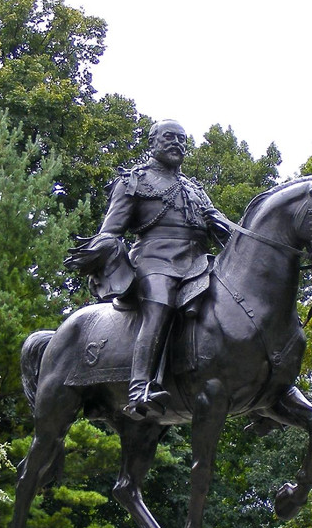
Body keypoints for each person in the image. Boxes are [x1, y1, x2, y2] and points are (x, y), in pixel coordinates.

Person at [66, 120, 231, 419]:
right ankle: (139, 387)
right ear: (152, 142)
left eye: (182, 139)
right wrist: (99, 252)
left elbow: (217, 226)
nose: (177, 144)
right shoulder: (134, 180)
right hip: (155, 261)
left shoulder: (195, 188)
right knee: (160, 302)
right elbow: (111, 230)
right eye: (169, 137)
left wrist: (222, 227)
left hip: (199, 261)